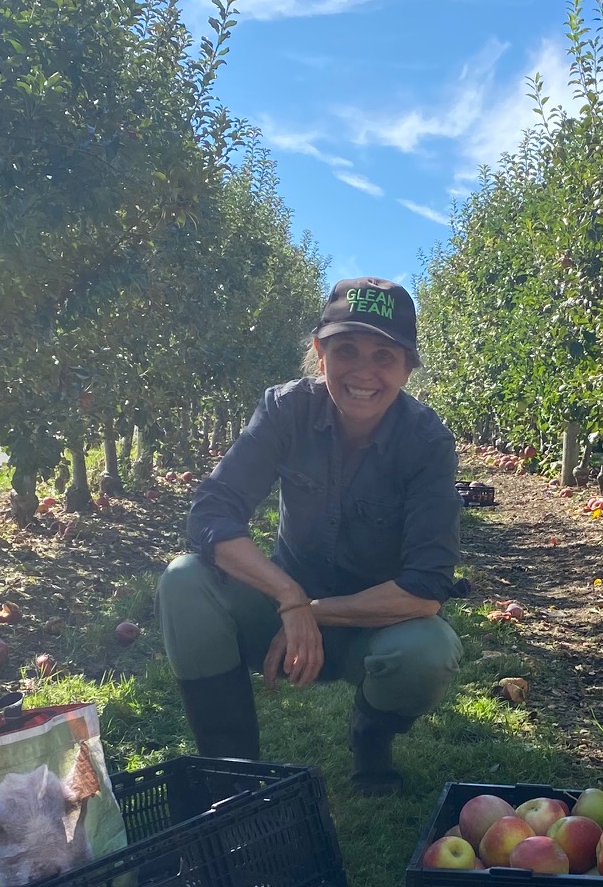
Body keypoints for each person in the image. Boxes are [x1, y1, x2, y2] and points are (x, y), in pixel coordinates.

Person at [158, 278, 463, 793]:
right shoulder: (285, 411)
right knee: (184, 581)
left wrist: (310, 610)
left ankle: (371, 734)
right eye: (346, 350)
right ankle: (232, 772)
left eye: (384, 356)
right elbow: (211, 513)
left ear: (407, 368)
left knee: (426, 656)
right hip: (280, 610)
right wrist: (286, 595)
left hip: (373, 623)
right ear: (319, 352)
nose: (364, 372)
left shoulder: (427, 443)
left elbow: (426, 587)